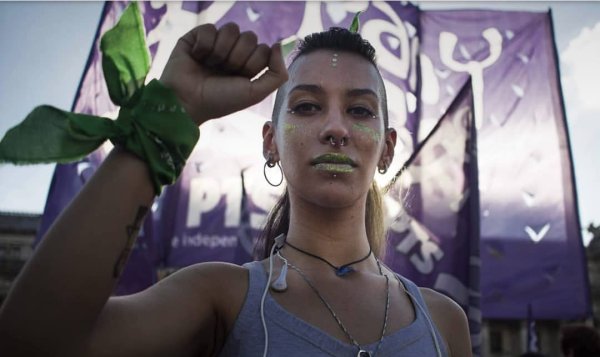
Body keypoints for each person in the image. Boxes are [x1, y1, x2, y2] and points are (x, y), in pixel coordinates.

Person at [0, 22, 471, 357]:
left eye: (361, 111)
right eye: (306, 107)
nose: (335, 128)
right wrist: (170, 119)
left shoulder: (445, 322)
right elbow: (32, 342)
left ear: (387, 151)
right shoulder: (220, 296)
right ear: (271, 143)